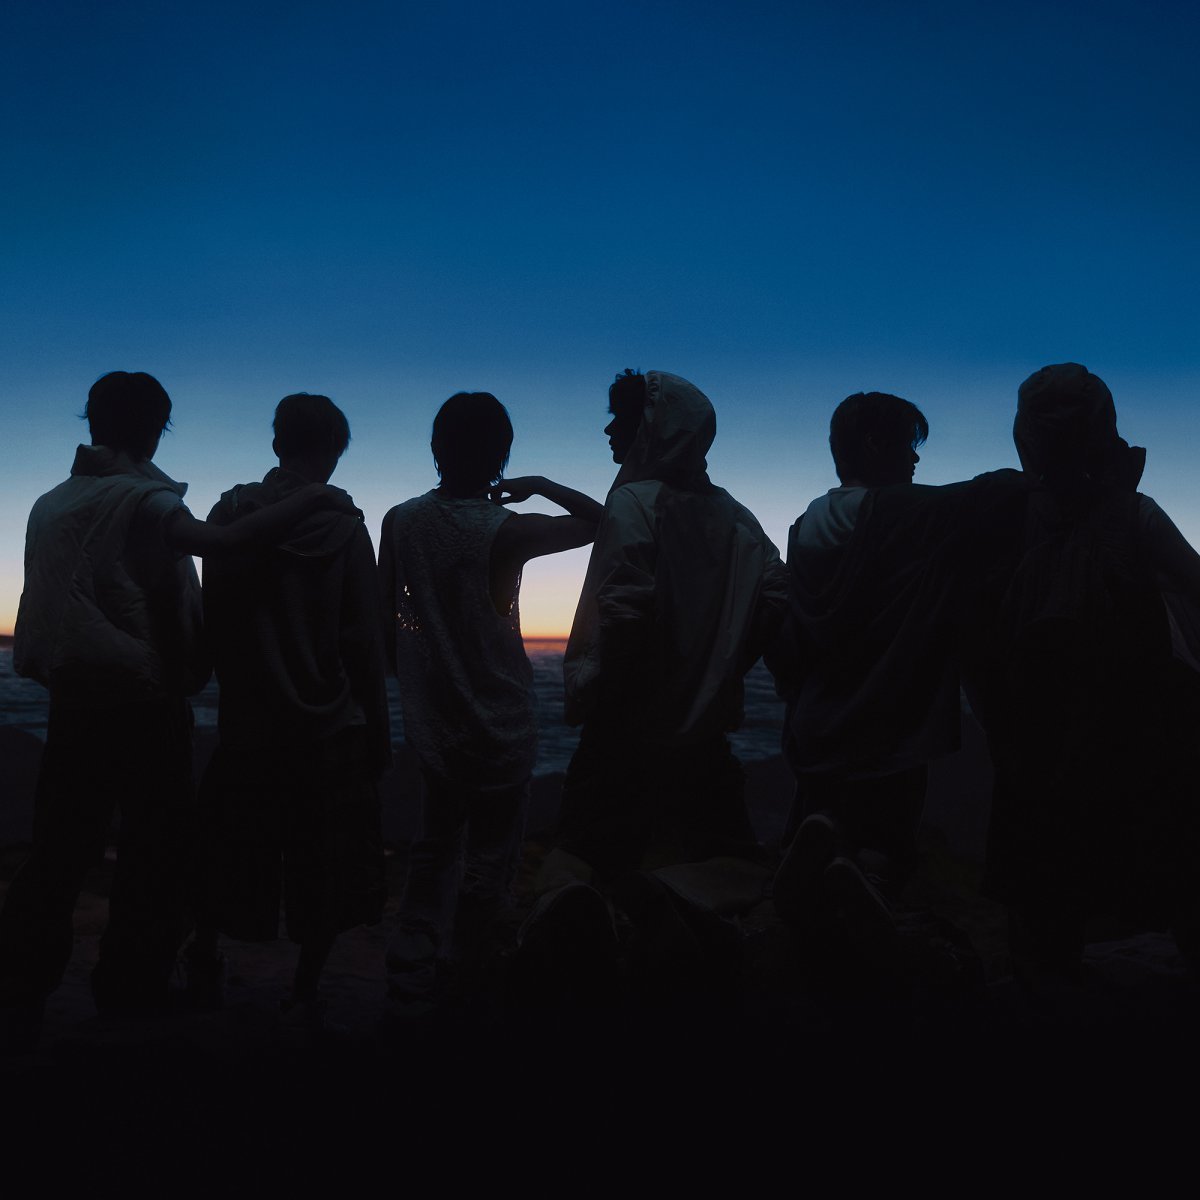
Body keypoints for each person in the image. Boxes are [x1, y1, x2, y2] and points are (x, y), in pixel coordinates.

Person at [0, 371, 346, 1042]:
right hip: (142, 701)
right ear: (157, 429)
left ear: (92, 421)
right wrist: (315, 498)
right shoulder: (144, 499)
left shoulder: (52, 501)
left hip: (73, 700)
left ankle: (19, 991)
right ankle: (130, 990)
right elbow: (219, 543)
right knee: (155, 851)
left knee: (57, 851)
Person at [768, 392, 1023, 959]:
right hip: (888, 719)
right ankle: (869, 896)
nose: (914, 459)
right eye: (908, 445)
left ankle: (814, 876)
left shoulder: (804, 524)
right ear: (874, 444)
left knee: (825, 821)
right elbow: (999, 493)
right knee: (887, 843)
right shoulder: (902, 510)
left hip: (816, 720)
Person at [975, 363, 1200, 987]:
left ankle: (1040, 1008)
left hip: (1030, 733)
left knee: (1041, 895)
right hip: (1137, 731)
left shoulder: (1000, 513)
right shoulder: (1134, 514)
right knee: (1176, 863)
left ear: (1024, 435)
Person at [378, 391, 602, 1006]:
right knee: (491, 855)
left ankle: (412, 966)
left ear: (436, 446)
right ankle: (469, 972)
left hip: (435, 716)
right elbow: (601, 521)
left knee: (434, 844)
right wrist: (541, 484)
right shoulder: (507, 529)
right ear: (501, 453)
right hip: (501, 715)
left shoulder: (400, 521)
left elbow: (382, 615)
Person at [191, 393, 390, 1027]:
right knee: (324, 869)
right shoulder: (343, 526)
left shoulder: (229, 513)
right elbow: (364, 639)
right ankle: (303, 990)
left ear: (278, 444)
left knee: (224, 854)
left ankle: (202, 961)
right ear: (333, 450)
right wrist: (380, 727)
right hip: (329, 726)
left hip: (247, 724)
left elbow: (213, 618)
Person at [548, 369, 788, 888]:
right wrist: (723, 666)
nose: (609, 430)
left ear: (652, 427)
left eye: (621, 419)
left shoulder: (635, 501)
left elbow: (625, 615)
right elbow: (777, 597)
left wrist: (614, 701)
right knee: (732, 860)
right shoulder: (738, 517)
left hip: (625, 721)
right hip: (703, 723)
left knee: (583, 857)